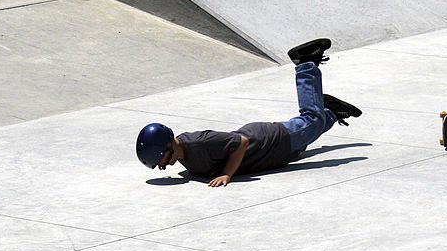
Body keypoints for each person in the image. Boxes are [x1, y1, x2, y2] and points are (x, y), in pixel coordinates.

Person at [135, 38, 362, 187]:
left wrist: (227, 175)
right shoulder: (184, 156)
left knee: (311, 120)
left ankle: (305, 63)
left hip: (271, 141)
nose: (165, 166)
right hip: (273, 155)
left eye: (162, 161)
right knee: (305, 140)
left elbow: (241, 142)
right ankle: (332, 111)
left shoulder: (197, 142)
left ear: (167, 145)